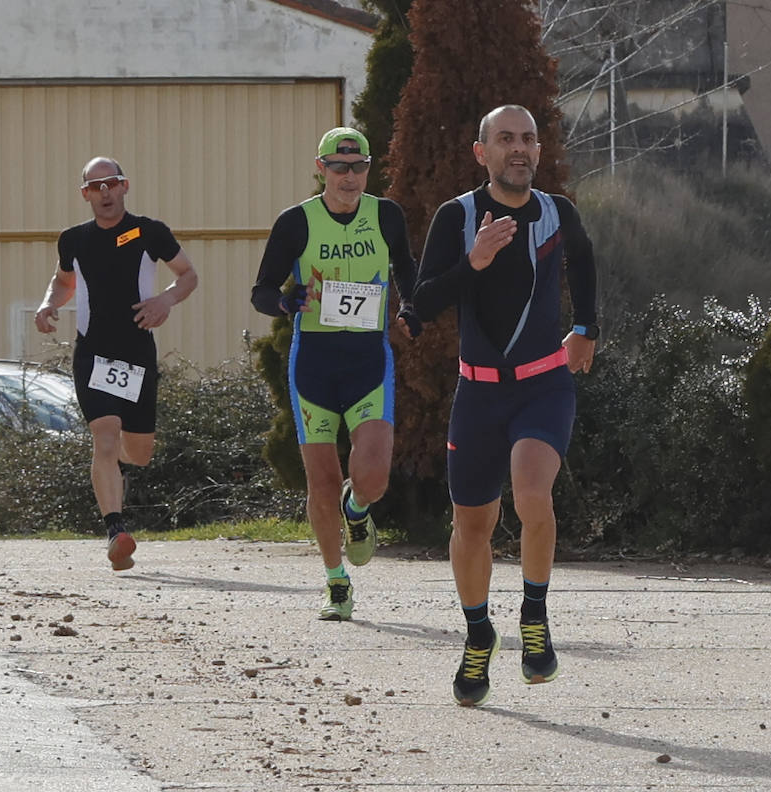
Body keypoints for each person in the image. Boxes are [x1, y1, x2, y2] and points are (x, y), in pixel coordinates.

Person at [412, 105, 598, 706]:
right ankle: (477, 633)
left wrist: (587, 327)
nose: (519, 149)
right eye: (506, 139)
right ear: (482, 152)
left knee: (531, 491)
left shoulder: (555, 211)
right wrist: (475, 262)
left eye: (528, 139)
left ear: (538, 151)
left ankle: (535, 616)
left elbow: (586, 261)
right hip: (479, 391)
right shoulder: (458, 217)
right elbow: (423, 302)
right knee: (472, 524)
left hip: (544, 384)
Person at [250, 127, 421, 621]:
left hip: (368, 361)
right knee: (321, 482)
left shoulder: (385, 215)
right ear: (322, 169)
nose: (350, 177)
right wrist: (286, 302)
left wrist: (410, 304)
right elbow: (261, 291)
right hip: (315, 364)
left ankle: (359, 510)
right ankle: (336, 581)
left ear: (369, 169)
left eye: (359, 167)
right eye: (340, 167)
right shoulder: (296, 222)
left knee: (373, 477)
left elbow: (406, 267)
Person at [34, 157, 198, 571]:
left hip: (136, 353)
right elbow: (64, 279)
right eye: (95, 186)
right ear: (84, 194)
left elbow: (187, 275)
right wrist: (48, 303)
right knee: (104, 440)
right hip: (92, 353)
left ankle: (118, 465)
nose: (104, 192)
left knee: (138, 453)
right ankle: (116, 531)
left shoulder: (149, 232)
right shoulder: (73, 239)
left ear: (125, 186)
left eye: (111, 184)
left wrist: (166, 300)